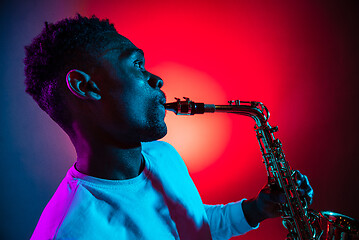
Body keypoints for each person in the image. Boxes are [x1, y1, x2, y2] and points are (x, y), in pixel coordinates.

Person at [25, 14, 313, 240]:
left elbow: (193, 224)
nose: (157, 79)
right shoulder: (74, 231)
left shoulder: (163, 155)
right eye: (137, 65)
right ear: (85, 86)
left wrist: (257, 209)